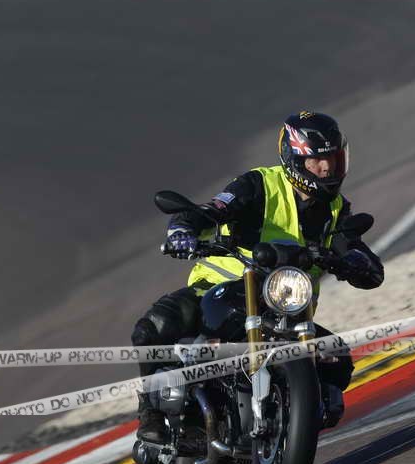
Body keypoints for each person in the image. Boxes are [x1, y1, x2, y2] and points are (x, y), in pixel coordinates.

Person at [132, 111, 384, 442]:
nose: (326, 168)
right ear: (295, 159)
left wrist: (357, 263)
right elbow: (214, 210)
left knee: (337, 359)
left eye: (332, 159)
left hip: (287, 311)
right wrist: (183, 229)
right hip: (222, 291)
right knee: (155, 326)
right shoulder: (259, 184)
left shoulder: (336, 210)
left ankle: (290, 422)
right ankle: (149, 412)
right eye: (316, 161)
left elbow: (356, 250)